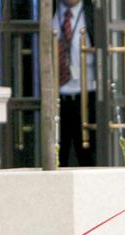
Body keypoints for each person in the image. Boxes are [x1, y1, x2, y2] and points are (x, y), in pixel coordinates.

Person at [52, 0, 97, 166]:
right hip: (57, 99)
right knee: (58, 157)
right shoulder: (51, 12)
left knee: (88, 155)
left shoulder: (92, 14)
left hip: (87, 97)